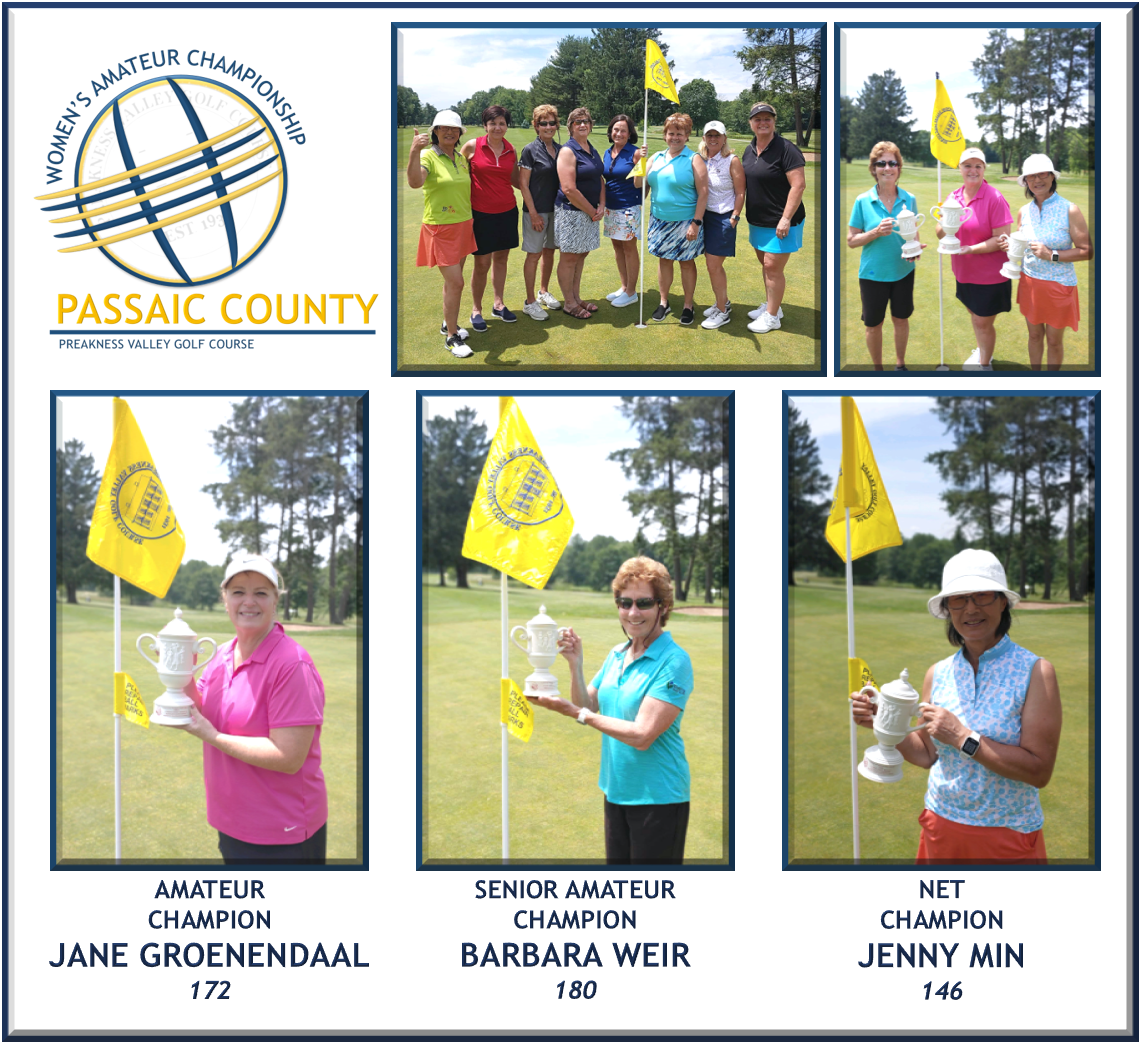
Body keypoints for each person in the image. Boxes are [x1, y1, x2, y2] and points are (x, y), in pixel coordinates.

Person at [850, 549, 1062, 864]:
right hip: (940, 826)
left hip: (1008, 835)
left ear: (1002, 601)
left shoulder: (1036, 671)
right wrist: (885, 721)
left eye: (982, 596)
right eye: (959, 599)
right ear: (948, 609)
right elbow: (925, 755)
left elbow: (1039, 771)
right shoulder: (938, 673)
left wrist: (962, 737)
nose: (970, 609)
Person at [526, 557, 694, 864]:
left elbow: (643, 735)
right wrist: (575, 665)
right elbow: (587, 704)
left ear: (663, 607)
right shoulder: (617, 654)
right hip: (616, 791)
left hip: (659, 798)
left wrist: (575, 713)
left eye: (644, 602)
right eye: (624, 602)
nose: (633, 612)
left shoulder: (674, 661)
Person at [176, 554, 328, 864]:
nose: (249, 601)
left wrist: (213, 737)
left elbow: (288, 757)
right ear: (225, 599)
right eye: (238, 592)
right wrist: (178, 672)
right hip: (232, 822)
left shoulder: (291, 664)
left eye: (261, 592)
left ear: (275, 601)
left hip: (282, 831)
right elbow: (201, 708)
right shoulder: (220, 655)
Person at [1000, 154, 1091, 371]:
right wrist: (1012, 247)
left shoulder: (1070, 209)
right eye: (1031, 176)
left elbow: (1087, 251)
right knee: (1033, 336)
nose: (1037, 180)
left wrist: (1052, 255)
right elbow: (1023, 248)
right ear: (1026, 182)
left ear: (1052, 176)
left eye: (1042, 174)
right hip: (1030, 281)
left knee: (1053, 341)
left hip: (1058, 285)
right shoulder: (1024, 211)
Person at [847, 141, 925, 371]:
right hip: (872, 274)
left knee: (901, 320)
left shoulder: (909, 198)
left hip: (903, 272)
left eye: (893, 163)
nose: (887, 168)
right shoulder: (863, 200)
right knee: (873, 325)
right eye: (881, 163)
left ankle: (900, 366)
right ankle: (878, 370)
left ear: (899, 168)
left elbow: (915, 237)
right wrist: (875, 232)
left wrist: (916, 249)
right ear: (873, 168)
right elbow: (851, 241)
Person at [934, 148, 1012, 371]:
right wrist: (948, 222)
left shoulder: (994, 197)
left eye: (978, 165)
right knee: (974, 314)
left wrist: (969, 249)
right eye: (967, 165)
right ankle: (982, 350)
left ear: (984, 169)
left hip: (990, 275)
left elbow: (1001, 239)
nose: (973, 170)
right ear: (960, 168)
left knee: (982, 321)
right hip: (964, 272)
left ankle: (984, 366)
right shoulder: (954, 196)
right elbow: (940, 232)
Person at [407, 109, 476, 358]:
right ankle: (451, 338)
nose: (449, 132)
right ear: (434, 131)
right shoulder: (427, 155)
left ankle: (449, 323)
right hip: (440, 228)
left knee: (451, 283)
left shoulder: (459, 157)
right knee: (456, 282)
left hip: (463, 225)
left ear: (459, 133)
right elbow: (415, 182)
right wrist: (414, 151)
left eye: (454, 128)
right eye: (443, 128)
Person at [741, 103, 806, 334]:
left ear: (774, 121)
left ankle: (771, 317)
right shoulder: (749, 149)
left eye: (767, 118)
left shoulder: (787, 149)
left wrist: (785, 218)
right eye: (758, 119)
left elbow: (798, 185)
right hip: (758, 220)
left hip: (783, 221)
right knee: (765, 264)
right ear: (751, 123)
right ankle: (773, 307)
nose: (762, 123)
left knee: (772, 266)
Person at [642, 112, 708, 326]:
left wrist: (696, 223)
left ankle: (688, 305)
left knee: (687, 263)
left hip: (685, 222)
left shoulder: (693, 158)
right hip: (659, 220)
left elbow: (704, 192)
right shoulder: (656, 157)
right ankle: (664, 302)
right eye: (671, 133)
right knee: (664, 261)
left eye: (680, 133)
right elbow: (638, 184)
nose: (675, 137)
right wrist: (640, 162)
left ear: (687, 135)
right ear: (665, 135)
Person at [461, 105, 520, 331]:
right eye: (493, 123)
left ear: (507, 125)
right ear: (485, 125)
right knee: (482, 263)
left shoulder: (510, 149)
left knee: (502, 260)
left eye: (502, 123)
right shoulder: (472, 146)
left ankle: (498, 304)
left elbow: (515, 179)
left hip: (506, 211)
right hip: (481, 214)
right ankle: (476, 309)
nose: (497, 127)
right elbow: (458, 174)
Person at [554, 107, 605, 319]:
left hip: (590, 212)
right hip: (572, 213)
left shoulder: (591, 149)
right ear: (570, 127)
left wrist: (601, 204)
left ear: (591, 125)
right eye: (577, 122)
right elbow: (568, 189)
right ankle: (569, 303)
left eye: (586, 121)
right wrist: (592, 210)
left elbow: (600, 179)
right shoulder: (568, 151)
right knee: (569, 257)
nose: (582, 124)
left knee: (581, 254)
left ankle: (576, 297)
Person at [517, 104, 563, 321]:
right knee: (534, 255)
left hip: (557, 210)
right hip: (535, 211)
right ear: (536, 126)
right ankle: (529, 302)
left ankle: (543, 291)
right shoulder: (529, 150)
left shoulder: (561, 149)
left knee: (550, 251)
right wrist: (534, 214)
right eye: (543, 123)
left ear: (557, 125)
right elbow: (523, 184)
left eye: (551, 122)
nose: (548, 126)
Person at [698, 121, 745, 330]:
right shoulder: (701, 159)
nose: (713, 139)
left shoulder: (732, 160)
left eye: (717, 135)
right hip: (705, 216)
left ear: (724, 138)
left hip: (723, 216)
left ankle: (723, 311)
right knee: (711, 264)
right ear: (704, 138)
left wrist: (735, 216)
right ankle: (722, 302)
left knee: (714, 265)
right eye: (709, 135)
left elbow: (741, 192)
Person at [601, 114, 646, 309]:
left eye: (623, 130)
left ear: (630, 134)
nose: (619, 133)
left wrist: (641, 163)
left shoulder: (636, 153)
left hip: (628, 208)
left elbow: (640, 184)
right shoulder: (606, 152)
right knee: (617, 248)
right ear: (611, 131)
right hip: (611, 207)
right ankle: (624, 286)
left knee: (629, 248)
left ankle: (631, 292)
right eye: (616, 129)